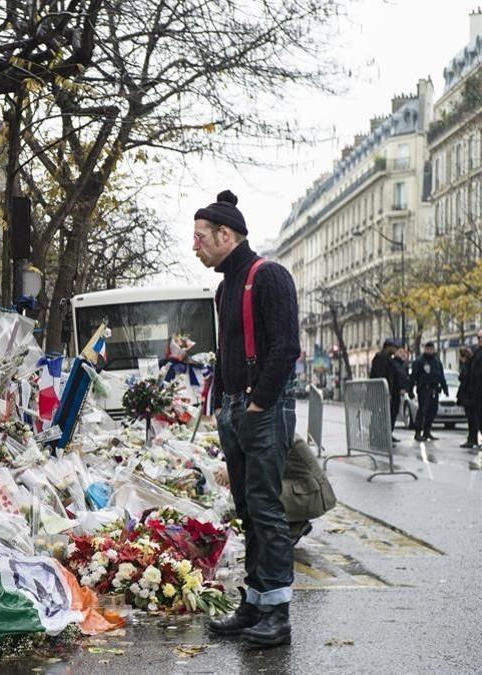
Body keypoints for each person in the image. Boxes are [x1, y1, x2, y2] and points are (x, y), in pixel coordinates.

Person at [193, 190, 300, 647]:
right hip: (235, 409)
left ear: (225, 234)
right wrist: (221, 401)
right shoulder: (224, 288)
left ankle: (277, 613)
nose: (194, 246)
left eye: (200, 237)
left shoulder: (269, 276)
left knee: (267, 510)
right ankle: (256, 602)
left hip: (263, 408)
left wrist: (256, 404)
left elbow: (285, 347)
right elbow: (227, 351)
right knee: (248, 510)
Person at [410, 342, 448, 442]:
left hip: (434, 389)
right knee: (422, 411)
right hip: (424, 389)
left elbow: (441, 376)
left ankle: (427, 431)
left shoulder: (437, 361)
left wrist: (445, 388)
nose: (430, 351)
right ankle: (418, 432)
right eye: (428, 349)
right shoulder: (419, 361)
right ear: (425, 349)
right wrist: (410, 390)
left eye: (432, 349)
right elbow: (413, 376)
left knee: (432, 411)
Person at [369, 339, 403, 442]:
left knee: (388, 414)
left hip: (388, 392)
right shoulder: (380, 358)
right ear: (388, 347)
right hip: (380, 393)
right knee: (379, 415)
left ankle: (387, 435)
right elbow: (381, 376)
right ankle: (377, 436)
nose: (395, 350)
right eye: (394, 347)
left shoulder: (388, 359)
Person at [462, 335, 482, 449]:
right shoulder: (477, 353)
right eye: (478, 338)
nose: (479, 340)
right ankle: (472, 439)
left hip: (478, 392)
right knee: (476, 418)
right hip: (474, 392)